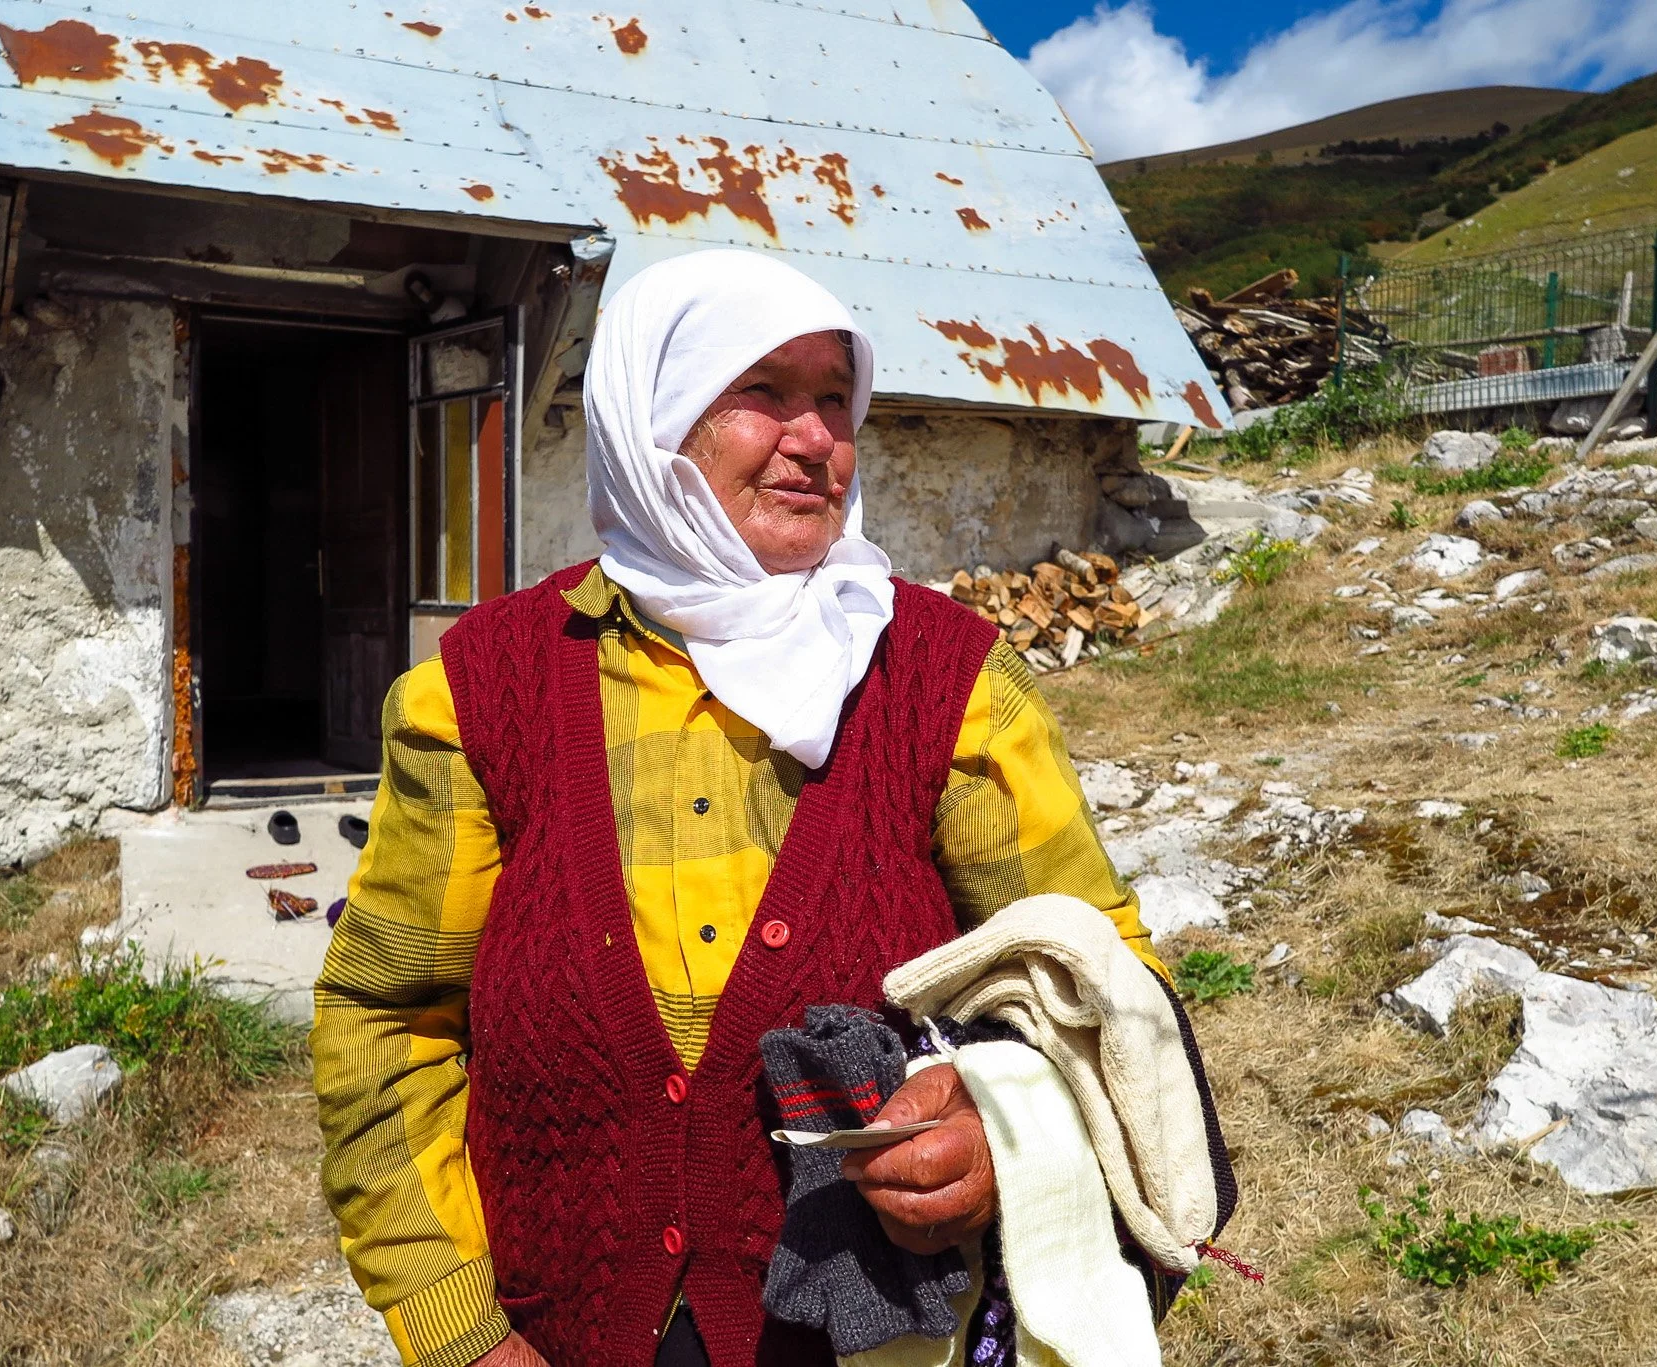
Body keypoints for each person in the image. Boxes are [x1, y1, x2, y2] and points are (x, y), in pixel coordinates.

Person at [312, 249, 1166, 1367]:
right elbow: (385, 1016)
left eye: (832, 400)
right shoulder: (479, 689)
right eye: (762, 392)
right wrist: (461, 1329)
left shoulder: (948, 683)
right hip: (559, 1325)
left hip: (876, 1333)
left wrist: (1002, 1127)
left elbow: (1098, 982)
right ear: (653, 422)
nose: (814, 439)